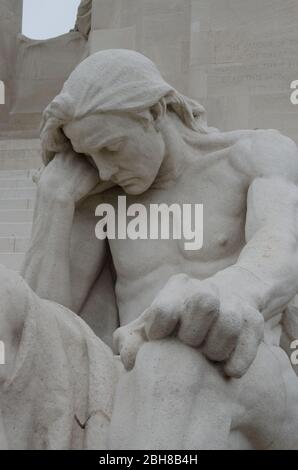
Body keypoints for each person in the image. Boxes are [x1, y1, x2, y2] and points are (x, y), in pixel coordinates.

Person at [15, 49, 298, 449]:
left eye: (111, 148)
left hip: (249, 372)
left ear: (155, 112)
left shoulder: (251, 156)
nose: (104, 169)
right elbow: (40, 329)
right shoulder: (101, 196)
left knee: (174, 362)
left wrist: (230, 291)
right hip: (140, 383)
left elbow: (282, 246)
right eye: (88, 155)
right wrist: (55, 200)